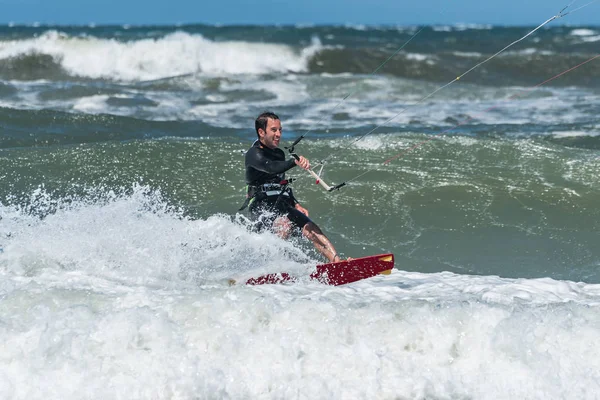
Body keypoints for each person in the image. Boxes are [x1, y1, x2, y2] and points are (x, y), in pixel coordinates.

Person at [241, 111, 343, 263]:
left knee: (310, 227)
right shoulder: (253, 154)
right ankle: (271, 266)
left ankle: (336, 261)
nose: (278, 134)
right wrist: (293, 162)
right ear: (261, 132)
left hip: (281, 202)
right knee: (284, 225)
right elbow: (270, 167)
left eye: (280, 130)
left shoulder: (279, 154)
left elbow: (281, 182)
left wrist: (295, 203)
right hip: (261, 205)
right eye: (274, 130)